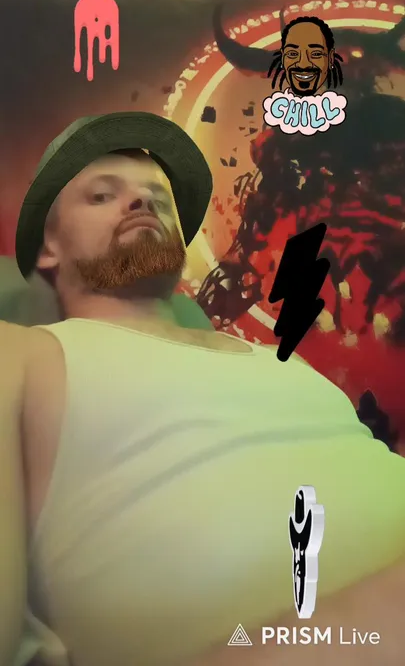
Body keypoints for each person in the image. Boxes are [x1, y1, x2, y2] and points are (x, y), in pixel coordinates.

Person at [1, 111, 405, 666]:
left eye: (158, 199)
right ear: (48, 247)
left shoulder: (282, 362)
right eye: (102, 195)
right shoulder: (22, 355)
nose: (141, 202)